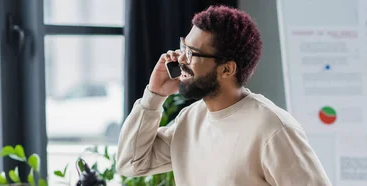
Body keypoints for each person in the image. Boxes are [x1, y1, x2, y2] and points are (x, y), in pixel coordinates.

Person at [115, 5, 332, 186]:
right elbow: (131, 163)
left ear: (227, 69)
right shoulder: (189, 120)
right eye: (184, 47)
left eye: (191, 53)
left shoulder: (272, 128)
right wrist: (154, 95)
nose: (180, 59)